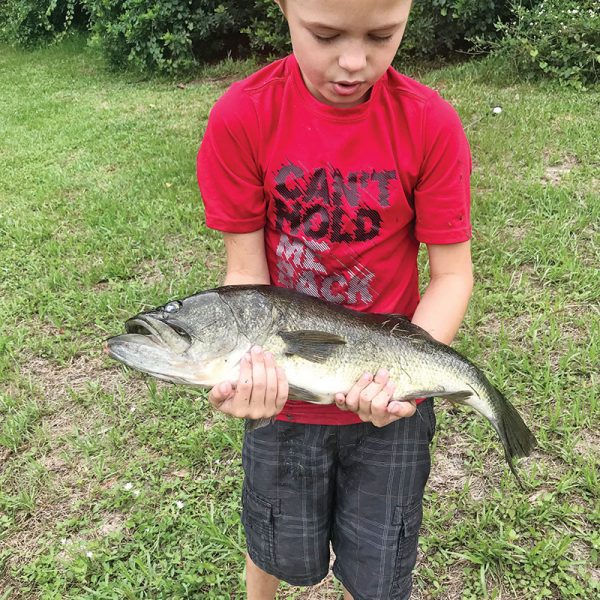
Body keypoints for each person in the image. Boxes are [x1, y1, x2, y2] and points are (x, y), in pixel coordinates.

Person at [197, 1, 474, 598]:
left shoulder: (431, 124)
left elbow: (451, 275)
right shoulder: (242, 117)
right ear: (283, 9)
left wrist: (402, 377)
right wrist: (244, 373)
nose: (353, 62)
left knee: (377, 563)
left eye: (382, 35)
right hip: (283, 396)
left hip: (387, 399)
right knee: (269, 540)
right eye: (324, 35)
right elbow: (245, 274)